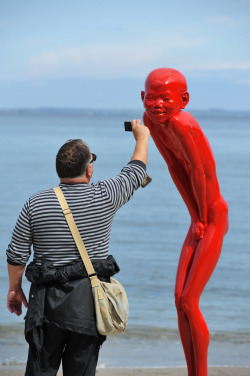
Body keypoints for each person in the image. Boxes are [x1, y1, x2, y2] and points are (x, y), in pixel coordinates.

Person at [6, 119, 150, 376]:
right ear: (89, 169)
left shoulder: (35, 203)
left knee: (40, 370)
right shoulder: (105, 195)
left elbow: (17, 254)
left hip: (45, 303)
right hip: (87, 302)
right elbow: (135, 171)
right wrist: (142, 138)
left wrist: (14, 290)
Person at [141, 68, 228, 376]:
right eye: (152, 98)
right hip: (198, 217)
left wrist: (203, 217)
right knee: (178, 300)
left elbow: (201, 173)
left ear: (184, 100)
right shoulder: (151, 121)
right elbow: (175, 167)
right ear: (143, 98)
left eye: (165, 98)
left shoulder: (181, 122)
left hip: (213, 216)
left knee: (190, 301)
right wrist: (193, 215)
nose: (157, 105)